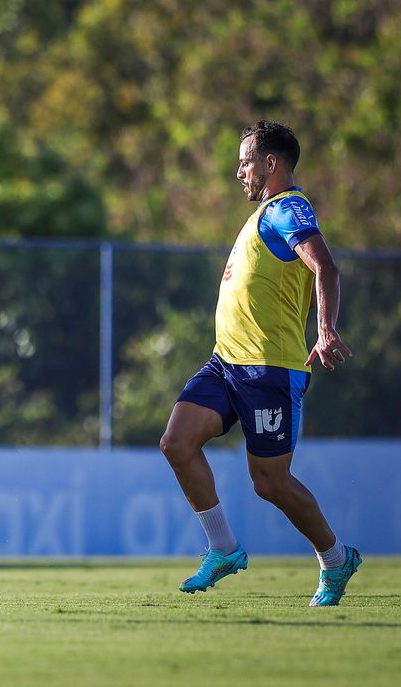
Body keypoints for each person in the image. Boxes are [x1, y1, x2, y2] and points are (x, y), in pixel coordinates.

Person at [160, 120, 361, 606]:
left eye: (246, 161)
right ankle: (223, 547)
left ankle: (336, 560)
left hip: (270, 369)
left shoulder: (288, 208)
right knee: (177, 443)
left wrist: (327, 329)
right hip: (226, 362)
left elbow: (325, 265)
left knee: (270, 483)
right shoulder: (264, 214)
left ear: (271, 163)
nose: (238, 172)